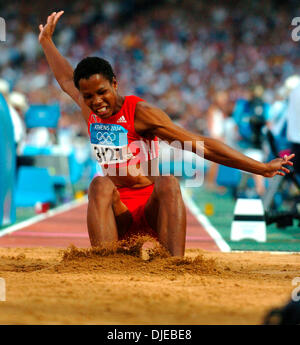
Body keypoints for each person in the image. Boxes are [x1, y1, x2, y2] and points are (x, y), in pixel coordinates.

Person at [38, 11, 294, 257]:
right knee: (99, 184)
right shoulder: (88, 107)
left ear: (115, 84)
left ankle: (176, 265)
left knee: (168, 181)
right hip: (117, 212)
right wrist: (47, 41)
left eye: (102, 92)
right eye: (88, 96)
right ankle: (105, 260)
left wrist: (259, 168)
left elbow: (202, 145)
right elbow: (64, 78)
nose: (96, 101)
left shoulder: (141, 113)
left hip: (152, 209)